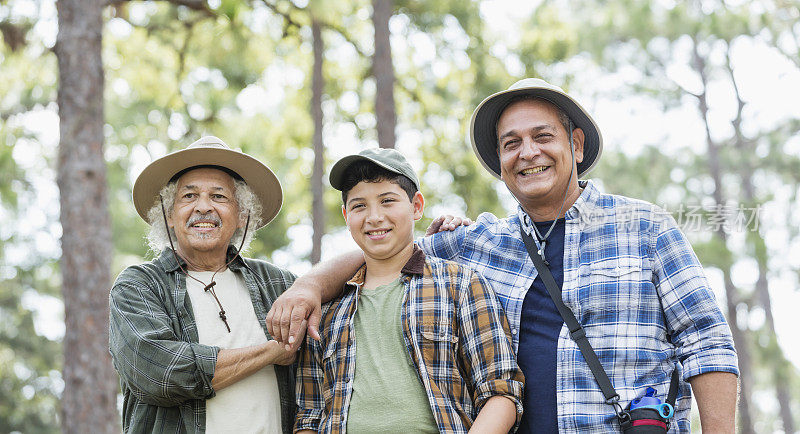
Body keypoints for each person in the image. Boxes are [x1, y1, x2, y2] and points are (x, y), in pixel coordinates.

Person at [267, 79, 740, 433]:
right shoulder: (478, 244)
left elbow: (707, 342)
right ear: (500, 163)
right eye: (511, 144)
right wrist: (308, 287)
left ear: (575, 145)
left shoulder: (645, 226)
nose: (527, 152)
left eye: (543, 137)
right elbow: (382, 253)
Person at [294, 148, 524, 433]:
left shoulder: (460, 285)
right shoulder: (328, 309)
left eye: (387, 201)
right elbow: (310, 413)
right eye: (359, 206)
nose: (374, 217)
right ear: (345, 215)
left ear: (416, 206)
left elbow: (501, 391)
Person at [109, 136, 298, 433]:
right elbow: (162, 373)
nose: (203, 207)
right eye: (189, 196)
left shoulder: (278, 283)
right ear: (169, 216)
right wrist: (273, 352)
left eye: (219, 196)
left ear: (242, 215)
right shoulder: (140, 285)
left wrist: (315, 284)